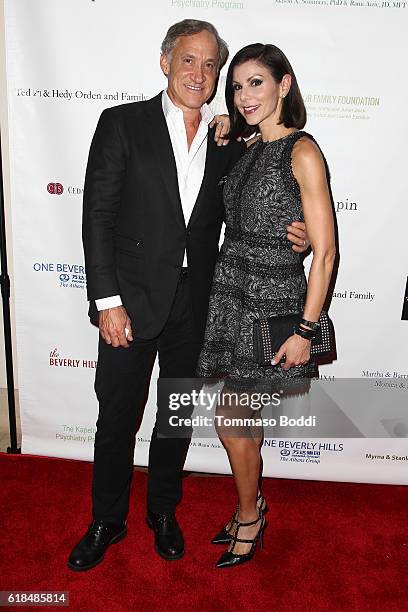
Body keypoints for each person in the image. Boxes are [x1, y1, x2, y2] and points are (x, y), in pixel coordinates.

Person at [68, 22, 309, 571]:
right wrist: (107, 301)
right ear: (165, 63)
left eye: (210, 65)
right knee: (117, 415)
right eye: (188, 61)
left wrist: (303, 232)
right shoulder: (122, 123)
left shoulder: (229, 140)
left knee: (174, 416)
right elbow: (98, 216)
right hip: (128, 302)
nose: (199, 74)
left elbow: (261, 200)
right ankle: (106, 518)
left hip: (198, 303)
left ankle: (162, 511)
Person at [197, 43, 336, 568]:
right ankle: (248, 507)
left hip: (271, 299)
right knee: (239, 416)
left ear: (284, 84)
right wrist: (226, 130)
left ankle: (250, 515)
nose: (244, 95)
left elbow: (324, 252)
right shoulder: (248, 145)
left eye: (257, 82)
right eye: (237, 86)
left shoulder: (302, 150)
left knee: (231, 417)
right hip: (232, 293)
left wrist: (305, 329)